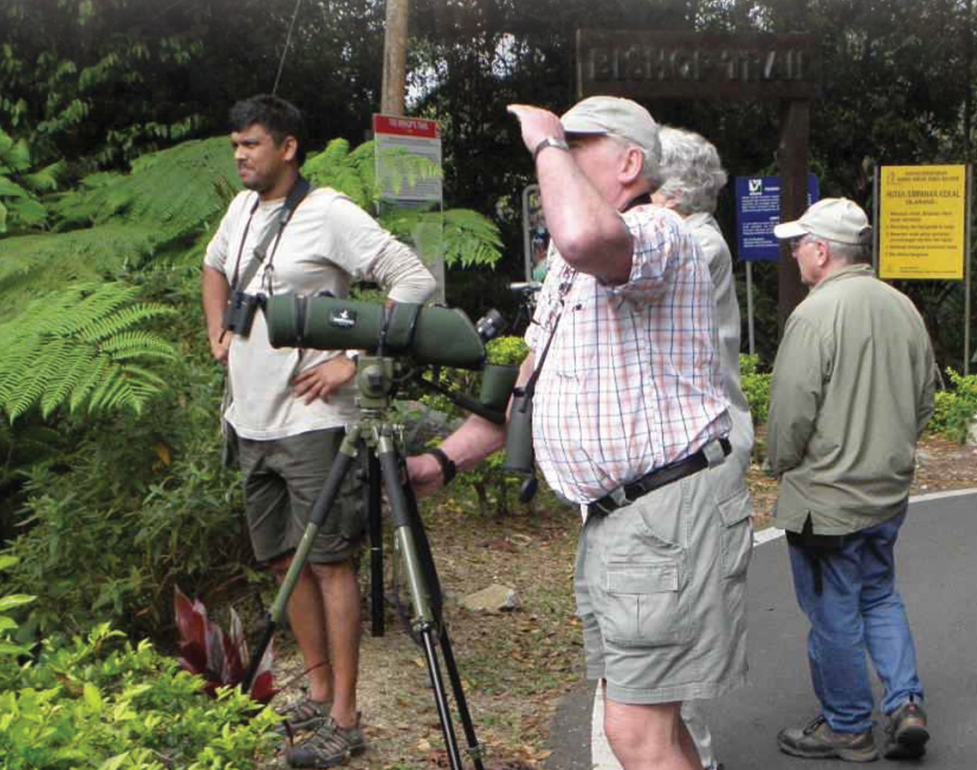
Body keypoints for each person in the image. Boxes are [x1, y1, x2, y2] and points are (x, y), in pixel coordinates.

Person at [407, 96, 747, 770]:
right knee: (654, 721)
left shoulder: (659, 233)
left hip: (659, 514)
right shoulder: (571, 270)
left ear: (628, 162)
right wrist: (441, 465)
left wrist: (541, 140)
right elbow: (527, 384)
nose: (557, 156)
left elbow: (585, 236)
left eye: (576, 144)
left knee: (635, 734)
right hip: (623, 518)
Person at [201, 94, 436, 769]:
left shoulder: (328, 212)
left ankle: (344, 718)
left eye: (250, 144)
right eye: (235, 145)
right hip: (250, 415)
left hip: (312, 420)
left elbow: (411, 279)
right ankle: (317, 686)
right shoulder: (241, 210)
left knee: (330, 562)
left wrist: (353, 358)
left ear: (287, 147)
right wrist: (216, 329)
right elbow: (214, 266)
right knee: (282, 559)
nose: (240, 156)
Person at [767, 198, 935, 762]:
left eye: (799, 244)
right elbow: (925, 398)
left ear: (821, 250)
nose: (793, 254)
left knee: (832, 613)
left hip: (828, 500)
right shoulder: (902, 306)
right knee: (879, 594)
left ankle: (847, 726)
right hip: (887, 492)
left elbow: (791, 410)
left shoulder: (816, 314)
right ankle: (906, 704)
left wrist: (778, 463)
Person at [653, 126, 755, 770]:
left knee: (675, 651)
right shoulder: (688, 237)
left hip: (693, 464)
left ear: (671, 192)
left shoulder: (691, 243)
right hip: (684, 460)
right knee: (664, 653)